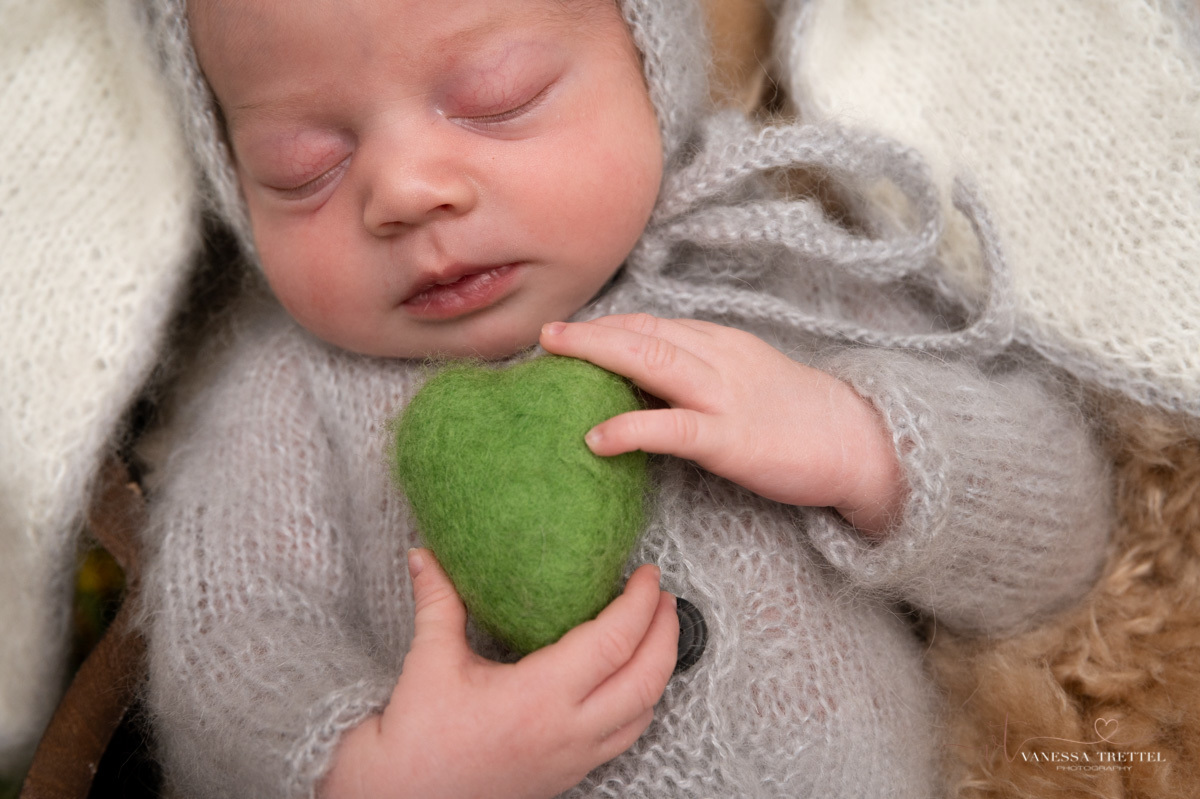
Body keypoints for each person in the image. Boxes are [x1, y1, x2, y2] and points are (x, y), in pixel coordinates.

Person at [137, 0, 1114, 796]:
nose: (405, 189)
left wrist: (864, 440)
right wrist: (367, 766)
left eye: (496, 98)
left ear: (651, 69)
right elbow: (230, 637)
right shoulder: (287, 390)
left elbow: (1059, 528)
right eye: (302, 168)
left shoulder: (766, 257)